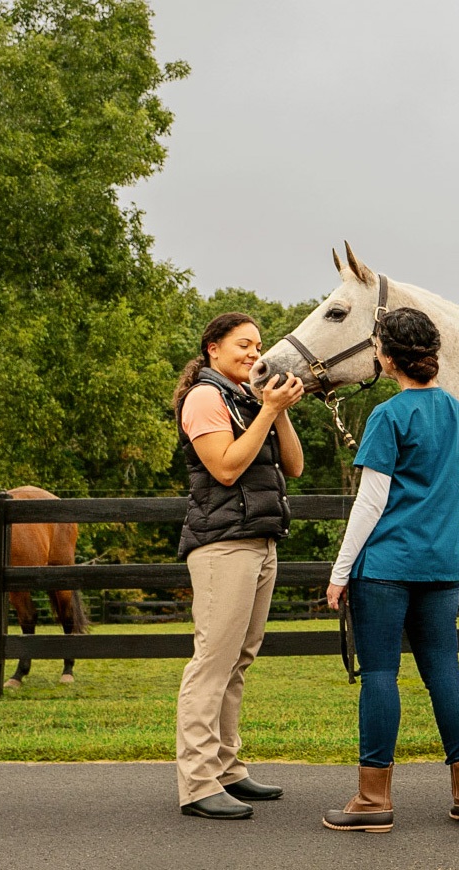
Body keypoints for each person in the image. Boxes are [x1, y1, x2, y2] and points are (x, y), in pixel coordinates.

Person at [322, 307, 459, 833]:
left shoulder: (388, 417)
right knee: (445, 672)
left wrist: (340, 572)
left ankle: (373, 800)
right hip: (442, 565)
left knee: (381, 675)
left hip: (387, 568)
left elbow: (370, 503)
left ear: (387, 358)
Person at [172, 312, 306, 820]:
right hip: (223, 546)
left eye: (258, 346)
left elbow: (292, 466)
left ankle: (227, 768)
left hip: (261, 542)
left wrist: (279, 408)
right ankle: (198, 783)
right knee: (212, 663)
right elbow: (226, 468)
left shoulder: (247, 397)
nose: (254, 353)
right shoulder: (205, 397)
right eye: (243, 345)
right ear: (213, 348)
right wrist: (268, 412)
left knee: (238, 661)